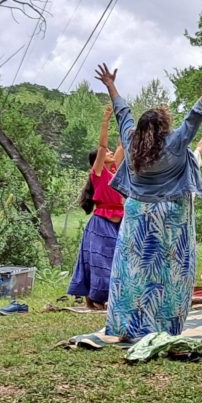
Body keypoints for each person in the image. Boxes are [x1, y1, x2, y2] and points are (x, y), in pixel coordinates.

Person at [94, 62, 202, 341]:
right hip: (170, 215)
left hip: (137, 214)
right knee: (169, 272)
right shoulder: (176, 143)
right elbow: (195, 115)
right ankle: (163, 327)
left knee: (132, 270)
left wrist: (110, 84)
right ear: (164, 127)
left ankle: (127, 326)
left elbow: (122, 113)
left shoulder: (132, 143)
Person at [67, 105, 125, 310]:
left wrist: (122, 117)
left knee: (119, 258)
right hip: (101, 222)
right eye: (106, 153)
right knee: (100, 261)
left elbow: (122, 145)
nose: (110, 152)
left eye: (111, 152)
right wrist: (105, 121)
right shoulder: (98, 174)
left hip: (119, 220)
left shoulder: (114, 171)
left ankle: (106, 298)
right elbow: (102, 148)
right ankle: (96, 298)